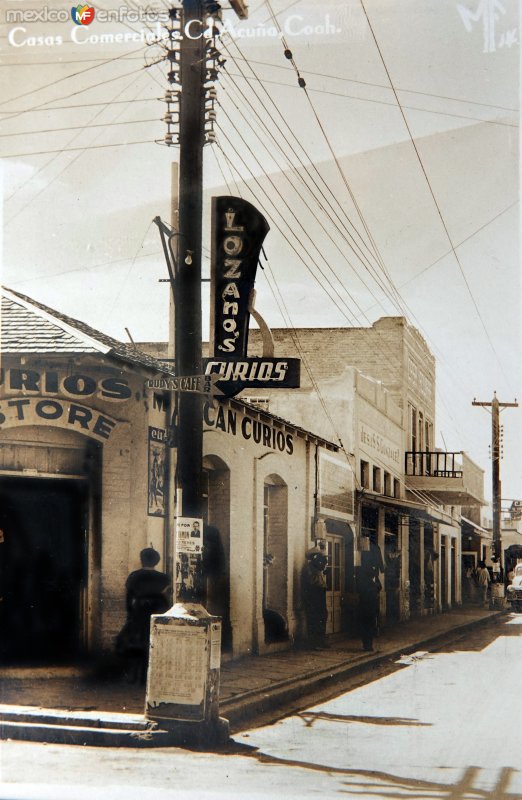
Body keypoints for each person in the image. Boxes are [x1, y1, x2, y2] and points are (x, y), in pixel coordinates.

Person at [116, 547, 172, 683]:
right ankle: (151, 676)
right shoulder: (164, 578)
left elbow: (129, 598)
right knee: (154, 643)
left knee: (134, 643)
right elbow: (167, 600)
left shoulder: (134, 577)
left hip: (139, 613)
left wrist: (130, 614)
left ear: (142, 560)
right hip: (158, 612)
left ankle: (135, 676)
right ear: (157, 561)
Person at [302, 543, 328, 649]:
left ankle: (321, 641)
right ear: (313, 557)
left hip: (320, 592)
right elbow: (312, 582)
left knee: (322, 616)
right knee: (314, 618)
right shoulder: (310, 567)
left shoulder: (317, 567)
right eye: (317, 555)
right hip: (313, 593)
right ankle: (314, 643)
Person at [357, 564, 381, 652]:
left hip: (371, 607)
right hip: (366, 607)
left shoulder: (373, 581)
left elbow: (380, 587)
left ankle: (368, 645)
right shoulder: (366, 582)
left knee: (370, 626)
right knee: (367, 627)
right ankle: (367, 645)